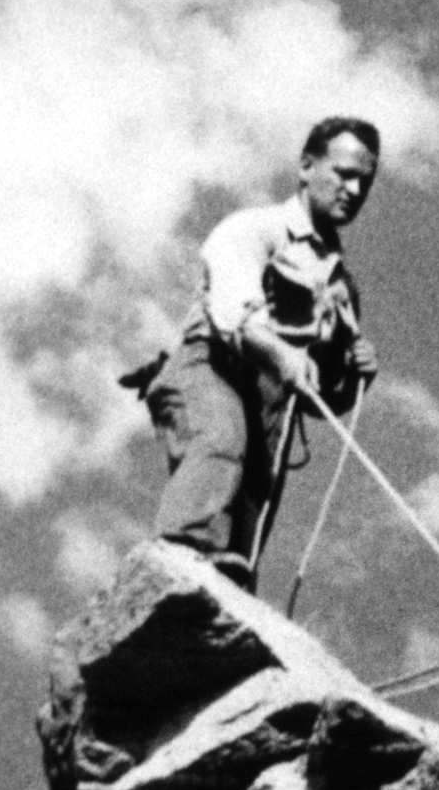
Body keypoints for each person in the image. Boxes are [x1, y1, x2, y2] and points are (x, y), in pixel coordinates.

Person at [128, 117, 381, 582]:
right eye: (343, 173)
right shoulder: (254, 228)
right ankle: (178, 569)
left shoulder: (342, 288)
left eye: (365, 180)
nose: (354, 188)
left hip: (274, 410)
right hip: (212, 367)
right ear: (306, 167)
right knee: (222, 442)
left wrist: (355, 380)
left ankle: (222, 606)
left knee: (250, 513)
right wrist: (282, 355)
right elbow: (234, 316)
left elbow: (320, 396)